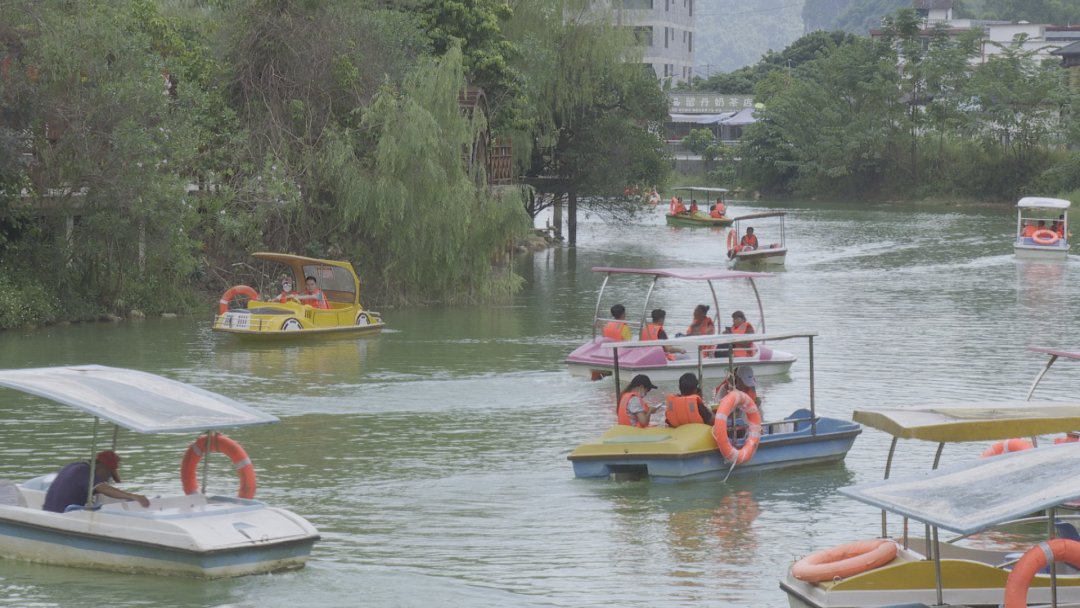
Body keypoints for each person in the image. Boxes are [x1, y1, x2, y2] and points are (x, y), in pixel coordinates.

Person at [43, 450, 150, 513]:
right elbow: (103, 488)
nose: (106, 480)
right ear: (102, 468)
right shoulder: (84, 473)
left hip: (50, 510)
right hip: (62, 514)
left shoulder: (74, 466)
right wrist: (132, 496)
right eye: (108, 475)